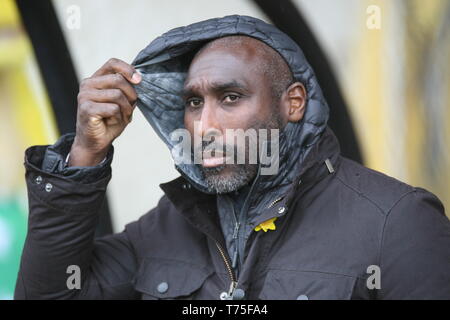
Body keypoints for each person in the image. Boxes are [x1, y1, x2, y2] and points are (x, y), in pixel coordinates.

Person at [15, 15, 450, 300]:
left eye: (231, 97)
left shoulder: (397, 221)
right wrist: (85, 154)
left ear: (292, 103)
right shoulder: (168, 225)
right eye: (192, 103)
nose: (204, 127)